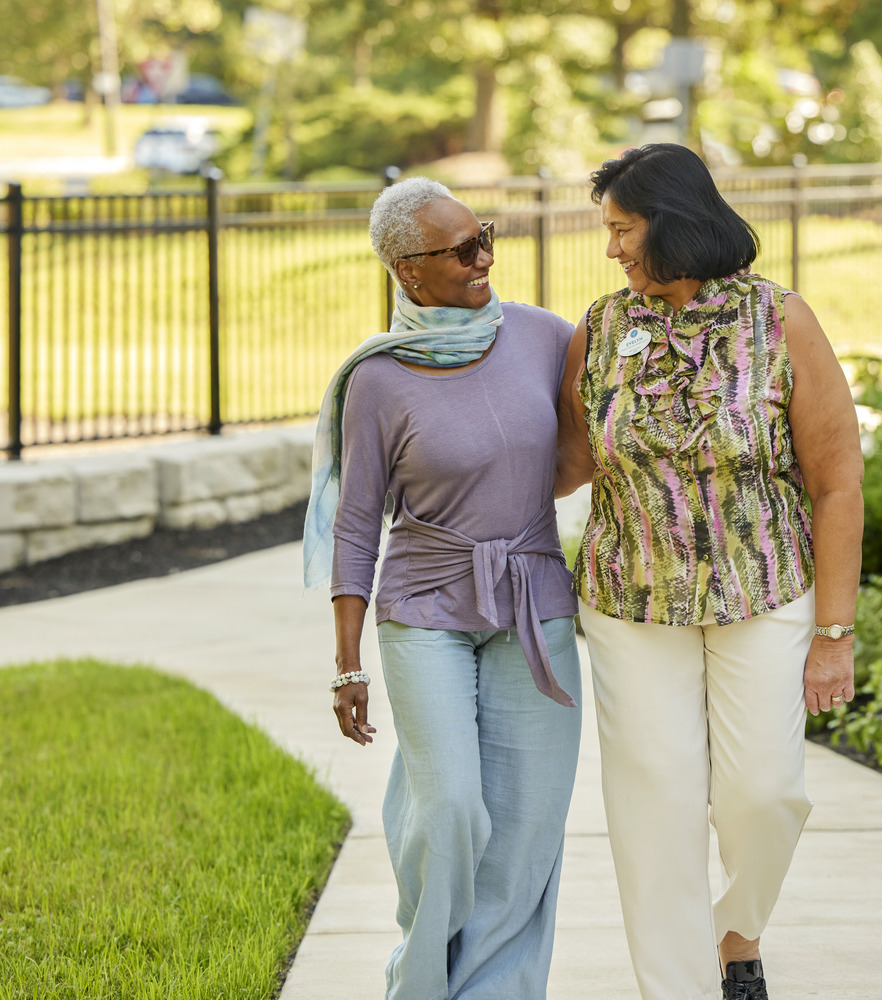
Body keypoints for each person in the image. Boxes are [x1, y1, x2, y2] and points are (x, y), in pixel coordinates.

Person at [556, 144, 865, 1000]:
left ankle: (736, 932)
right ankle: (681, 987)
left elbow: (837, 482)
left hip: (762, 588)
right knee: (652, 809)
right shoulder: (601, 329)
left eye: (622, 229)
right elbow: (567, 463)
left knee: (764, 796)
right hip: (631, 599)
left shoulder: (781, 321)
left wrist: (834, 634)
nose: (612, 249)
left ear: (672, 222)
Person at [304, 177, 583, 1000]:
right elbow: (358, 524)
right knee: (454, 809)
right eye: (462, 250)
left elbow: (601, 442)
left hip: (536, 603)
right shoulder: (378, 379)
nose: (484, 259)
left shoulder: (543, 337)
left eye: (485, 236)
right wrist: (347, 663)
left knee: (527, 831)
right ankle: (421, 981)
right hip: (425, 608)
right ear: (406, 270)